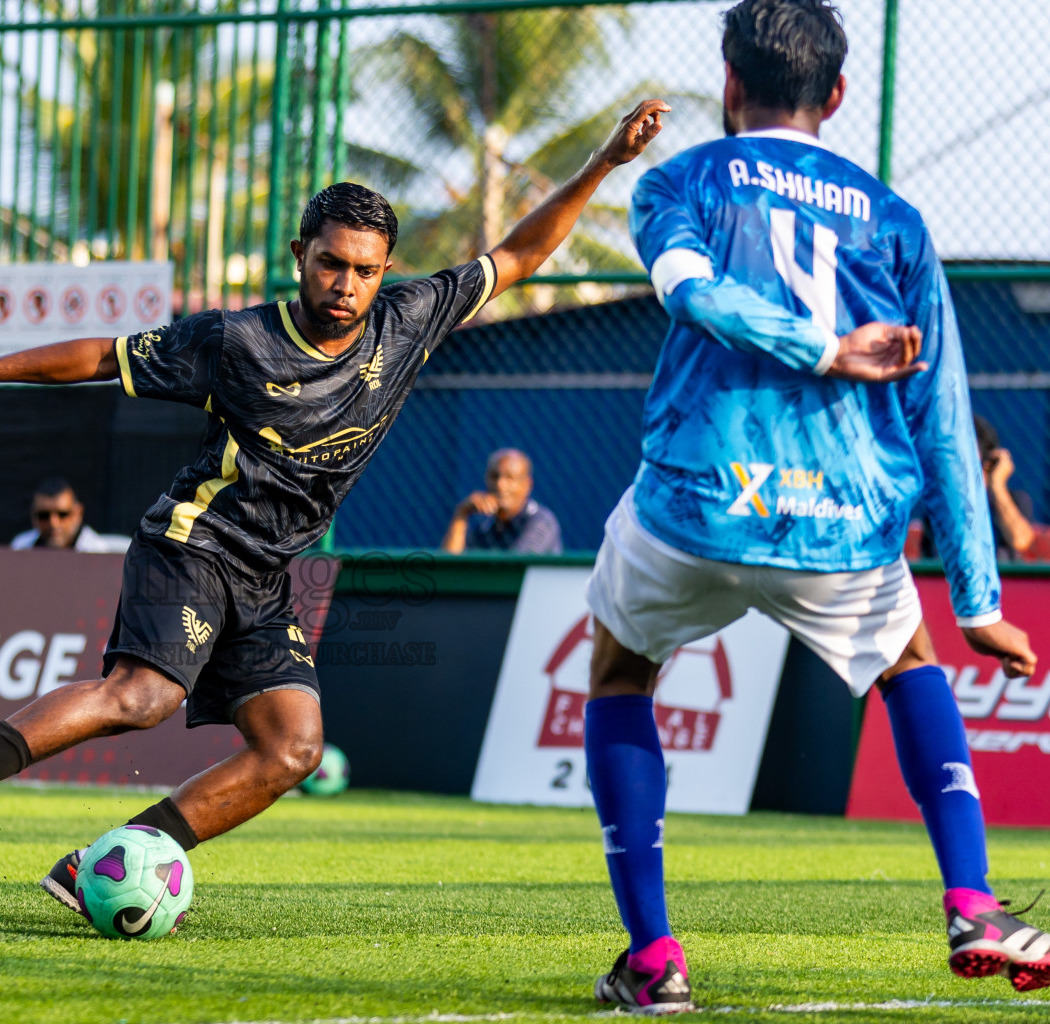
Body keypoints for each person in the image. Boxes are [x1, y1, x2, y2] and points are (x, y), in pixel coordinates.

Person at [0, 100, 668, 915]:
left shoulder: (406, 323)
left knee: (293, 750)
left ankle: (103, 865)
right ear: (300, 255)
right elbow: (100, 357)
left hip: (265, 575)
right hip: (193, 542)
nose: (346, 284)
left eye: (365, 270)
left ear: (386, 270)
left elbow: (521, 252)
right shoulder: (236, 341)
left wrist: (605, 158)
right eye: (332, 264)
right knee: (141, 697)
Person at [583, 0, 1046, 1013]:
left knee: (619, 673)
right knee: (911, 663)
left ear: (728, 83)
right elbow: (945, 415)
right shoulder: (896, 222)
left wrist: (816, 346)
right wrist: (977, 599)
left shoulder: (679, 181)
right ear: (836, 96)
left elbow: (690, 292)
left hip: (696, 502)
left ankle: (654, 955)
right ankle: (971, 900)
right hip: (839, 520)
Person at [913, 416, 1047, 562]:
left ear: (988, 462)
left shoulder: (1015, 500)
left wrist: (997, 486)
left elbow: (1020, 541)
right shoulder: (941, 507)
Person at [441, 447, 562, 554]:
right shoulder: (486, 528)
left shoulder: (541, 521)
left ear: (527, 485)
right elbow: (448, 569)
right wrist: (461, 515)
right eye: (494, 476)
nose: (500, 484)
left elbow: (516, 569)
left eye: (510, 478)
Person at [9, 476, 132, 553]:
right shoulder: (21, 547)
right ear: (33, 515)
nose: (53, 523)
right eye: (44, 515)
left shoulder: (95, 552)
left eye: (63, 515)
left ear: (78, 513)